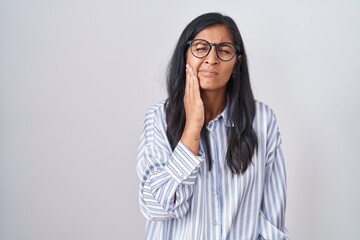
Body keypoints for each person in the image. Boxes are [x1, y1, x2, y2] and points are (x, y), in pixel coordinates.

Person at [136, 12, 290, 240]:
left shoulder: (262, 121)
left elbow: (271, 224)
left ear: (237, 62)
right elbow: (156, 207)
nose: (211, 58)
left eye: (224, 50)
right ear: (185, 55)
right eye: (200, 48)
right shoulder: (159, 118)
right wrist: (192, 128)